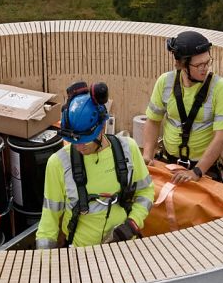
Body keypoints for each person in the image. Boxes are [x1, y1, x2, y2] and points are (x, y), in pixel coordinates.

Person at [37, 83, 154, 249]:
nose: (79, 147)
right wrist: (44, 264)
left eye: (84, 140)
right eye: (74, 141)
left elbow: (146, 192)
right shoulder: (58, 163)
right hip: (81, 255)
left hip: (125, 248)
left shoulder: (128, 149)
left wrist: (131, 225)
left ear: (102, 127)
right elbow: (49, 222)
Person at [142, 30, 223, 184]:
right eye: (199, 65)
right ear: (181, 64)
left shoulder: (221, 88)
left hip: (203, 170)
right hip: (168, 163)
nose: (205, 68)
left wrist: (196, 172)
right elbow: (153, 121)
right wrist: (147, 155)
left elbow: (222, 137)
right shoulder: (165, 82)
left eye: (207, 62)